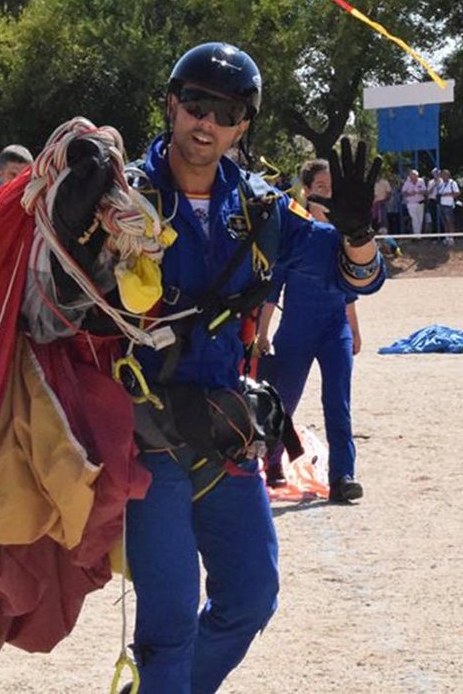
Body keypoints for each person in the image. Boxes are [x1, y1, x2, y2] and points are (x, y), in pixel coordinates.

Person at [102, 42, 384, 693]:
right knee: (169, 623)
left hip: (227, 428)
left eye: (227, 110)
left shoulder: (262, 211)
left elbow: (355, 275)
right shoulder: (121, 201)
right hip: (148, 440)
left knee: (251, 597)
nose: (207, 120)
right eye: (196, 102)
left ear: (244, 125)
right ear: (172, 104)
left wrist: (358, 229)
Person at [257, 158, 365, 502]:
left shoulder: (342, 236)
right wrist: (262, 333)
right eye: (321, 189)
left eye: (332, 189)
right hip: (296, 332)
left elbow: (349, 288)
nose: (328, 195)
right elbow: (273, 291)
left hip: (335, 331)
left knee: (339, 403)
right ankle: (272, 463)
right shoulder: (295, 235)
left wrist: (354, 331)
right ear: (306, 192)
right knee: (283, 402)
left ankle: (343, 476)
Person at [401, 169, 427, 235]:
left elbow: (424, 191)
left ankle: (419, 234)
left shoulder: (421, 181)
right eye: (412, 176)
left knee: (420, 219)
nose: (413, 178)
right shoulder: (407, 182)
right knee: (414, 219)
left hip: (420, 202)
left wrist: (418, 192)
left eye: (415, 176)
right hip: (411, 203)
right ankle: (417, 235)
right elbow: (403, 192)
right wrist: (410, 193)